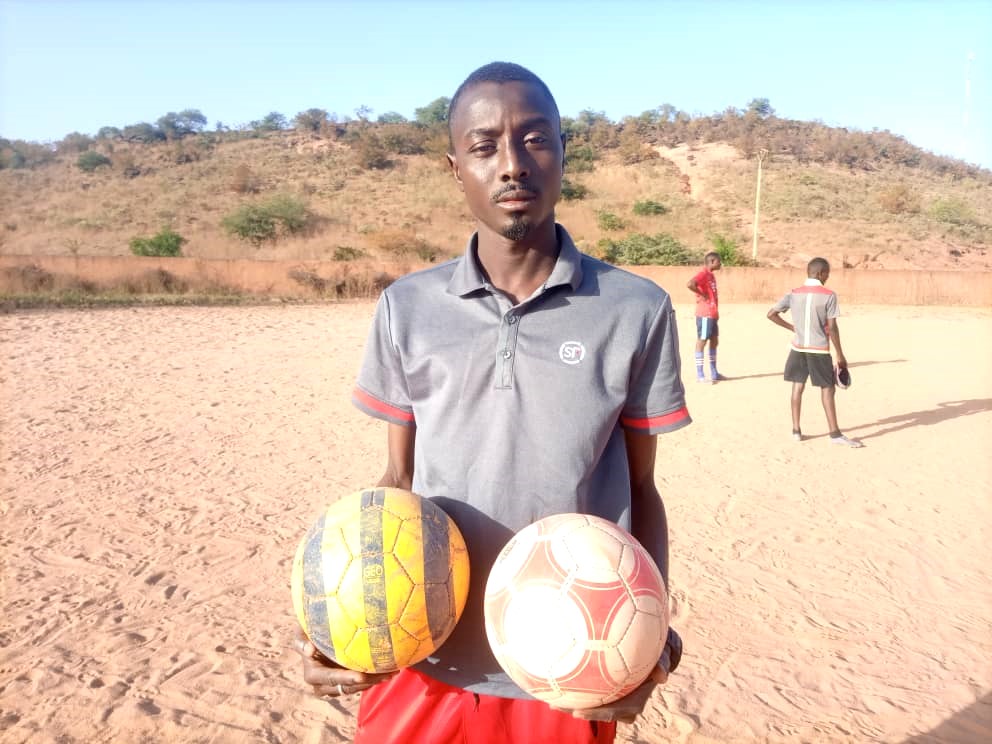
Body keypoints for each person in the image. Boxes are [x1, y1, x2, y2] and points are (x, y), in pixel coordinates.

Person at [295, 61, 690, 744]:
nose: (512, 164)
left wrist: (646, 632)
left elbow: (643, 488)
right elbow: (395, 482)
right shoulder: (408, 308)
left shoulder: (635, 309)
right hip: (424, 655)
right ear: (456, 168)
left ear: (565, 152)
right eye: (485, 146)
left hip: (565, 665)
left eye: (535, 140)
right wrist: (339, 618)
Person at [766, 257, 863, 447]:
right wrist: (840, 355)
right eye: (827, 273)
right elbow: (833, 328)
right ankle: (835, 434)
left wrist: (793, 328)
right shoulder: (829, 295)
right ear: (820, 273)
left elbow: (771, 314)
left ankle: (796, 431)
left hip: (798, 347)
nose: (828, 277)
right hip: (818, 349)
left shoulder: (793, 293)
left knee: (797, 386)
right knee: (828, 389)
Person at [686, 251, 723, 383]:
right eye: (719, 261)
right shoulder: (703, 274)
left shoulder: (711, 275)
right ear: (712, 261)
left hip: (712, 313)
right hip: (705, 313)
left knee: (714, 340)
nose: (721, 263)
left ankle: (714, 373)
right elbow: (690, 284)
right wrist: (701, 294)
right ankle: (700, 375)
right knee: (702, 340)